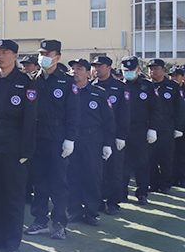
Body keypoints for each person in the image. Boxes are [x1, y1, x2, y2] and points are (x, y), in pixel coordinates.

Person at [0, 39, 36, 252]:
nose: (0, 56)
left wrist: (26, 151)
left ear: (16, 56)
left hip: (13, 147)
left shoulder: (26, 82)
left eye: (5, 52)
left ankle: (12, 241)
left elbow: (30, 120)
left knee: (13, 195)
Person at [25, 40, 80, 241]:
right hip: (37, 136)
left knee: (58, 183)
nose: (43, 57)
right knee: (39, 182)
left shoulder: (67, 82)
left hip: (57, 138)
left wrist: (70, 139)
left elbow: (74, 113)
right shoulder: (33, 80)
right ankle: (40, 221)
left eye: (48, 54)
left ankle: (59, 224)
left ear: (57, 57)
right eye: (41, 53)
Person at [66, 59, 115, 227]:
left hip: (92, 140)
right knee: (72, 175)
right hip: (72, 140)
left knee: (92, 177)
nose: (74, 71)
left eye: (79, 68)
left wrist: (108, 143)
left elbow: (109, 120)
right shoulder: (68, 91)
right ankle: (74, 210)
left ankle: (90, 211)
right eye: (73, 68)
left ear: (88, 73)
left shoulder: (98, 93)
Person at [91, 55, 130, 215]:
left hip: (114, 135)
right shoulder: (91, 85)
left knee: (114, 170)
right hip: (96, 135)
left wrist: (121, 136)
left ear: (109, 68)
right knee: (97, 170)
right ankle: (98, 200)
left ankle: (113, 202)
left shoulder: (119, 87)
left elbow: (124, 114)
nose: (97, 69)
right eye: (95, 66)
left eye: (100, 66)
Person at [120, 56, 160, 205]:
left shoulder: (147, 86)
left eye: (131, 70)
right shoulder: (119, 86)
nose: (128, 73)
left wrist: (153, 128)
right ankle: (122, 193)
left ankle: (142, 193)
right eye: (125, 70)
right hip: (122, 130)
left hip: (140, 129)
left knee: (141, 163)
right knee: (122, 164)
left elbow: (155, 109)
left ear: (137, 69)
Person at [147, 58, 185, 194]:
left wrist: (179, 128)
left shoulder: (172, 86)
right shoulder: (146, 85)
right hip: (149, 127)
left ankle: (165, 184)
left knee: (166, 158)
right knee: (150, 158)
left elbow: (179, 109)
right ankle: (153, 183)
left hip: (166, 128)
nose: (153, 71)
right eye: (151, 69)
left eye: (156, 69)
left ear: (164, 70)